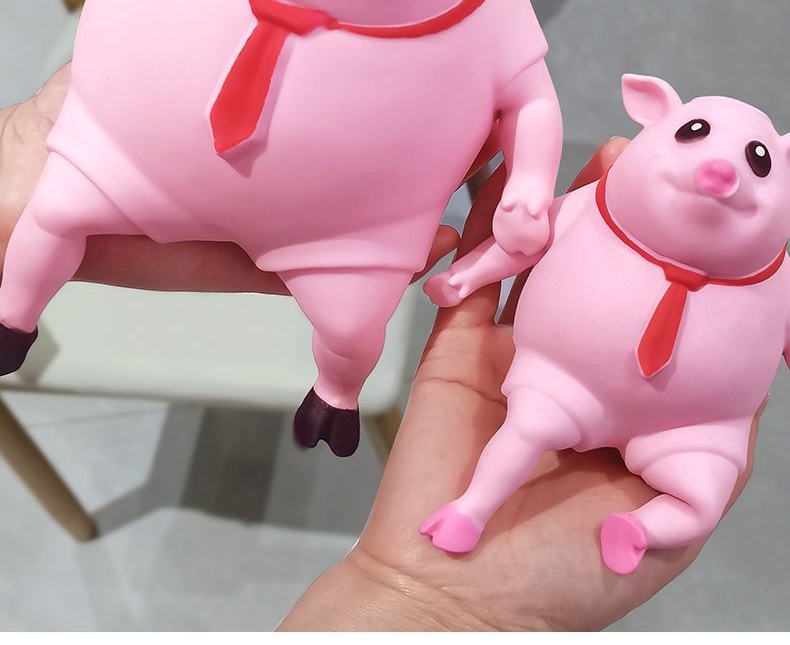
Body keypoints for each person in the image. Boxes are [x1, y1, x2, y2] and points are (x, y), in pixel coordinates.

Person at [0, 70, 763, 632]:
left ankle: (646, 528)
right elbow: (517, 245)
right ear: (656, 117)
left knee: (701, 489)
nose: (722, 171)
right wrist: (470, 272)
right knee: (525, 426)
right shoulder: (592, 208)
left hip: (691, 424)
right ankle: (469, 509)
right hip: (558, 379)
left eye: (761, 161)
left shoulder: (770, 275)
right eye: (695, 133)